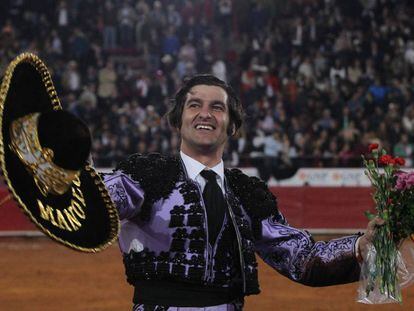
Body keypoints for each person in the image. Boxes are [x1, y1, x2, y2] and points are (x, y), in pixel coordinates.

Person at [103, 74, 379, 310]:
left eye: (217, 107)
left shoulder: (246, 192)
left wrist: (360, 247)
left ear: (232, 125)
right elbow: (97, 201)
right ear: (178, 121)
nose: (205, 114)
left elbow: (301, 258)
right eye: (194, 105)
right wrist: (66, 180)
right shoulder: (144, 177)